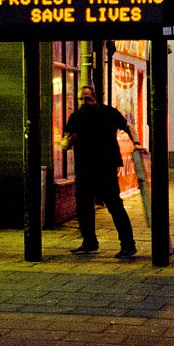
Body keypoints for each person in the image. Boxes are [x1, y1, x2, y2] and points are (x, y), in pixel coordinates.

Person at [61, 86, 139, 258]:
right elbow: (64, 145)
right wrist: (69, 140)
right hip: (84, 168)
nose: (84, 102)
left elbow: (128, 126)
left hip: (106, 167)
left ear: (94, 98)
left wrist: (137, 143)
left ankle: (128, 245)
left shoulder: (108, 112)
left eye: (87, 98)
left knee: (114, 205)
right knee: (84, 207)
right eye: (81, 99)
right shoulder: (76, 117)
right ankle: (89, 243)